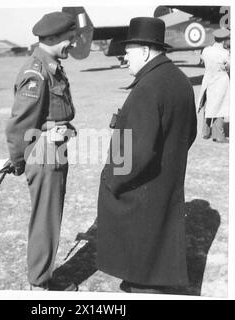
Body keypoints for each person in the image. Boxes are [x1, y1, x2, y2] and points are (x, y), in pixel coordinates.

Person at [97, 17, 197, 294]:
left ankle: (143, 284)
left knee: (142, 240)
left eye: (127, 51)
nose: (124, 57)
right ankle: (144, 278)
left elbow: (137, 151)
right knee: (157, 237)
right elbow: (189, 133)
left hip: (142, 186)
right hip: (166, 180)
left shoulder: (148, 87)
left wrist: (112, 179)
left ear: (144, 51)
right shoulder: (179, 80)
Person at [5, 11, 78, 291]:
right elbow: (20, 124)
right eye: (69, 39)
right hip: (45, 153)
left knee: (49, 217)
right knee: (45, 220)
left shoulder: (52, 66)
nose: (73, 44)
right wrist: (18, 160)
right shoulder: (37, 71)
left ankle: (42, 277)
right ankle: (40, 284)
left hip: (54, 150)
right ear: (54, 37)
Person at [198, 28, 230, 143]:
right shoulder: (225, 53)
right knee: (220, 106)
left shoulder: (207, 50)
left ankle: (205, 132)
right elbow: (229, 67)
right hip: (220, 80)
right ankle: (218, 136)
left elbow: (202, 59)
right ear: (223, 41)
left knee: (208, 105)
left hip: (208, 79)